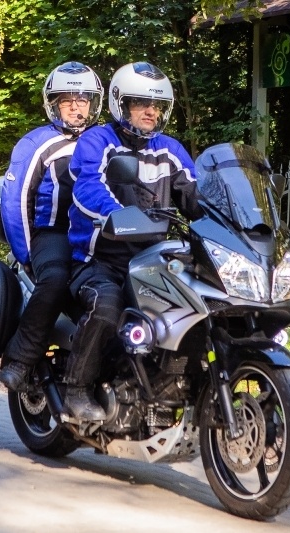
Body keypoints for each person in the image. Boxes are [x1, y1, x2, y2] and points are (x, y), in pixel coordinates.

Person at [63, 62, 202, 420]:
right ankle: (76, 389)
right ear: (121, 104)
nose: (151, 111)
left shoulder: (169, 149)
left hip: (153, 260)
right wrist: (117, 214)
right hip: (101, 259)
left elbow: (195, 192)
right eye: (141, 103)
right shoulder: (98, 141)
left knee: (197, 309)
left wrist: (232, 218)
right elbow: (88, 185)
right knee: (107, 307)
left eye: (157, 105)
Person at [0, 62, 103, 391]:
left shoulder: (105, 140)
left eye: (82, 99)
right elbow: (15, 201)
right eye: (66, 99)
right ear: (53, 104)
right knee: (56, 279)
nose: (75, 106)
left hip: (98, 236)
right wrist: (26, 254)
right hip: (53, 233)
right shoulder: (37, 142)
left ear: (94, 103)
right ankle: (20, 359)